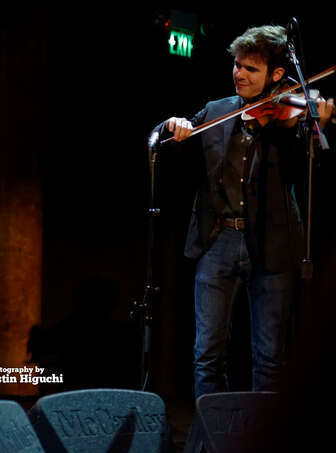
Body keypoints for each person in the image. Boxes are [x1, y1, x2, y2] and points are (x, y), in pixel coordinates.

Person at [153, 25, 334, 400]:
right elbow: (166, 140)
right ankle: (211, 436)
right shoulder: (217, 111)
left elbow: (309, 164)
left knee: (270, 357)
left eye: (251, 69)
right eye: (237, 65)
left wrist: (318, 126)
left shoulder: (291, 116)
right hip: (217, 239)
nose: (239, 74)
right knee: (207, 354)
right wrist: (177, 126)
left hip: (274, 242)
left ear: (277, 75)